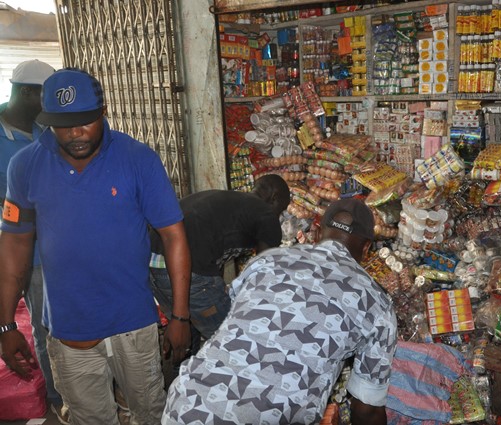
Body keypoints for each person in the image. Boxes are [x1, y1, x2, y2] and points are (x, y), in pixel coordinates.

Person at [0, 68, 191, 425]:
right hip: (69, 329)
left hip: (133, 323)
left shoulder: (138, 159)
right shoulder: (25, 166)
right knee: (90, 419)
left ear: (103, 112)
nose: (75, 133)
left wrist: (180, 315)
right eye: (63, 124)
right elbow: (14, 246)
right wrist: (6, 325)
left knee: (150, 413)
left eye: (85, 121)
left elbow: (173, 235)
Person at [162, 198, 398, 425]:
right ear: (367, 247)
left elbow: (233, 319)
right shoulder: (377, 303)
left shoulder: (268, 260)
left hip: (188, 405)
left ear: (317, 233)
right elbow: (366, 410)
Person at [0, 59, 67, 421]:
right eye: (47, 95)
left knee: (76, 318)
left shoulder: (48, 128)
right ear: (27, 92)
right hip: (29, 252)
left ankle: (86, 387)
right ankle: (60, 399)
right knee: (46, 329)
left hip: (65, 243)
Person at [149, 174, 291, 340]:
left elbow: (217, 253)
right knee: (233, 339)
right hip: (187, 267)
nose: (279, 217)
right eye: (282, 210)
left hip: (154, 267)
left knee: (187, 335)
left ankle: (183, 365)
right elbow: (265, 272)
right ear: (274, 198)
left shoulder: (230, 202)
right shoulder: (266, 214)